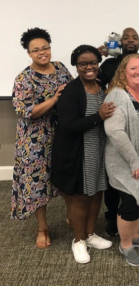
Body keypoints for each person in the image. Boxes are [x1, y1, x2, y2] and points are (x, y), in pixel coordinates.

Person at [51, 45, 115, 263]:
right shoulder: (71, 91)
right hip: (78, 154)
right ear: (76, 67)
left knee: (97, 194)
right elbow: (68, 126)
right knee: (80, 199)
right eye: (83, 64)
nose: (89, 67)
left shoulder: (101, 86)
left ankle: (89, 234)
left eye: (93, 62)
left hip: (98, 150)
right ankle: (78, 241)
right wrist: (98, 116)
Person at [11, 28, 73, 249]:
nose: (42, 53)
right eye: (36, 50)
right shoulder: (23, 78)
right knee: (37, 184)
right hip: (34, 139)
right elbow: (27, 111)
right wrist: (55, 99)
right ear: (28, 53)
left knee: (66, 175)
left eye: (45, 47)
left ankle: (71, 215)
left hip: (62, 133)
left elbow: (73, 92)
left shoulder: (61, 68)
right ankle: (42, 228)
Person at [98, 27, 139, 237]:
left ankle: (133, 235)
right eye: (126, 37)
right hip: (125, 149)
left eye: (135, 37)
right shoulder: (109, 68)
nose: (131, 40)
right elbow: (94, 85)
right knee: (124, 196)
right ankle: (118, 230)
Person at [104, 54, 139, 266]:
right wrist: (134, 161)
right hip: (126, 161)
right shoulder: (118, 95)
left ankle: (135, 235)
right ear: (123, 72)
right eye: (133, 68)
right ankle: (125, 245)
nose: (138, 72)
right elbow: (114, 131)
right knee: (130, 202)